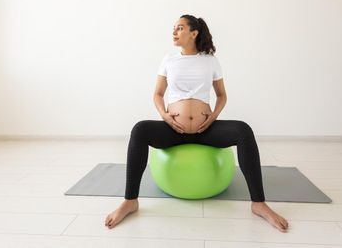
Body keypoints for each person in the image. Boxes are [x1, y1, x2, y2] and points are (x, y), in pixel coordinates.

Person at [105, 14, 289, 232]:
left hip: (205, 130)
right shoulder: (168, 60)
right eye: (173, 28)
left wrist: (213, 117)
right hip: (174, 130)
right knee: (140, 129)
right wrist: (165, 116)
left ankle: (259, 204)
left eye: (180, 27)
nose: (174, 31)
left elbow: (221, 95)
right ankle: (130, 201)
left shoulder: (210, 61)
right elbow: (157, 94)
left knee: (243, 130)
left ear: (194, 33)